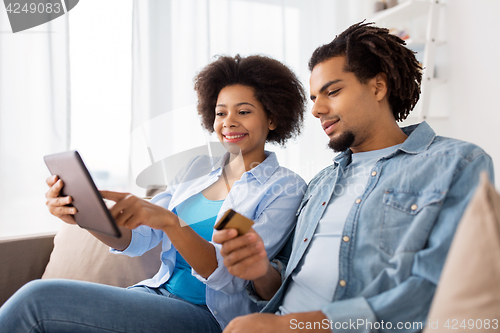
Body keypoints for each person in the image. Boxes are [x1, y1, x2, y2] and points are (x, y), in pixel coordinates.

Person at [215, 22, 495, 333]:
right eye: (314, 98)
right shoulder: (321, 183)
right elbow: (275, 286)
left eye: (332, 91)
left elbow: (433, 289)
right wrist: (261, 272)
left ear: (378, 86)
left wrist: (296, 326)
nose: (317, 110)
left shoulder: (455, 163)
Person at [0, 55, 307, 332]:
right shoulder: (197, 171)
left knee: (37, 299)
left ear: (273, 118)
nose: (228, 122)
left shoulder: (281, 188)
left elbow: (228, 273)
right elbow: (137, 237)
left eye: (243, 111)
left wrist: (171, 224)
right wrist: (84, 214)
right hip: (154, 295)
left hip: (208, 315)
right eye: (220, 113)